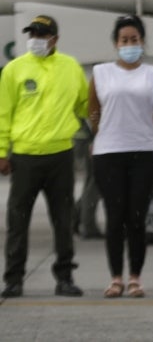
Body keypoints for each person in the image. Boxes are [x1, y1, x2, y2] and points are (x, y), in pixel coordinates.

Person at [0, 15, 89, 298]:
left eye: (42, 34)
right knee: (17, 222)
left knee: (63, 220)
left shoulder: (70, 67)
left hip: (61, 156)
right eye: (33, 34)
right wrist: (1, 152)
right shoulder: (14, 69)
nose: (36, 39)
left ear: (55, 39)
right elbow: (3, 113)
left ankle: (65, 277)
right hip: (24, 158)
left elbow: (85, 105)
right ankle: (13, 279)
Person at [88, 15, 153, 298]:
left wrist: (139, 131)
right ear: (116, 43)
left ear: (142, 42)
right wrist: (107, 132)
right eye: (124, 40)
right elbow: (93, 111)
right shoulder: (101, 73)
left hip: (143, 152)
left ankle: (135, 277)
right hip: (109, 153)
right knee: (114, 217)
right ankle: (115, 278)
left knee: (136, 218)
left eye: (134, 40)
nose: (129, 44)